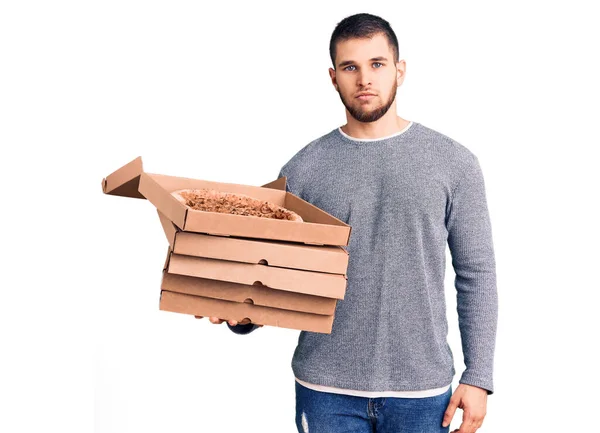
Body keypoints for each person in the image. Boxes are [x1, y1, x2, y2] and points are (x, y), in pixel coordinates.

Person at [197, 12, 498, 433]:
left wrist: (478, 375)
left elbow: (476, 272)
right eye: (350, 67)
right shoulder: (303, 170)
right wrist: (236, 311)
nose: (365, 80)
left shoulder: (454, 163)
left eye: (377, 64)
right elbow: (271, 272)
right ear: (333, 77)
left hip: (422, 390)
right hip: (324, 389)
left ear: (400, 70)